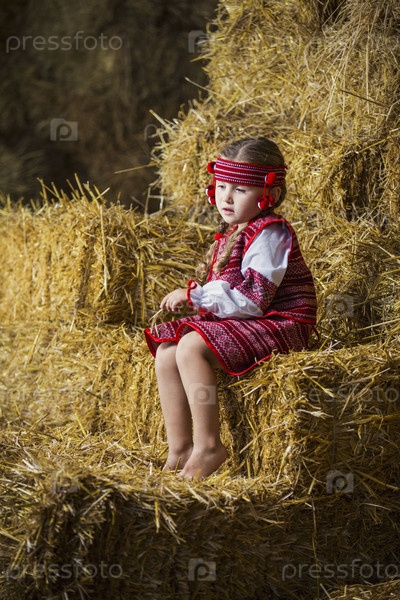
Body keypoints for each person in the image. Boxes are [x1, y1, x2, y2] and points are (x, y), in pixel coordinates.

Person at [144, 137, 317, 479]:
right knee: (166, 350)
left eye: (240, 189)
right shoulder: (232, 231)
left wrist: (196, 297)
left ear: (270, 194)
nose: (226, 197)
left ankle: (208, 446)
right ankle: (180, 449)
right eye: (221, 186)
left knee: (191, 346)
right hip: (250, 317)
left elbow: (254, 299)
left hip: (281, 321)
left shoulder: (272, 233)